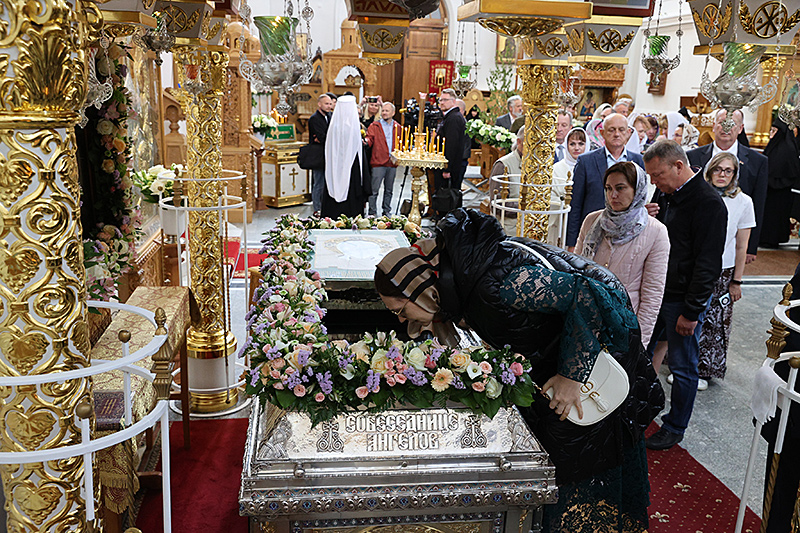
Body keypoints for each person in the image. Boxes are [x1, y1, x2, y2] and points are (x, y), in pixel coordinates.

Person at [374, 208, 664, 533]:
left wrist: (571, 376)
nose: (401, 320)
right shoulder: (464, 281)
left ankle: (588, 522)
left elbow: (585, 296)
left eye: (400, 309)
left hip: (599, 349)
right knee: (559, 440)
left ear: (421, 291)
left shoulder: (495, 284)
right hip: (564, 347)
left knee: (581, 448)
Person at [643, 140, 727, 451]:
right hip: (656, 291)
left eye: (658, 174)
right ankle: (642, 411)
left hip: (681, 298)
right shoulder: (666, 194)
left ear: (679, 166)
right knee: (643, 354)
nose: (654, 182)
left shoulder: (708, 203)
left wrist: (692, 312)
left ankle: (675, 426)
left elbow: (708, 263)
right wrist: (648, 215)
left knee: (682, 366)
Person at [576, 162, 670, 348]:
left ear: (638, 189)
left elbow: (652, 294)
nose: (613, 195)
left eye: (620, 188)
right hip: (584, 317)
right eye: (608, 188)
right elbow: (576, 269)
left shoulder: (656, 231)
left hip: (623, 324)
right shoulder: (593, 220)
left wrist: (638, 343)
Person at [693, 153, 755, 385]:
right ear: (710, 171)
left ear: (735, 174)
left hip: (724, 270)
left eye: (728, 170)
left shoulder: (743, 201)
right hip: (697, 265)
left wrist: (736, 280)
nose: (722, 175)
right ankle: (685, 365)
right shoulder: (700, 195)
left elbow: (742, 245)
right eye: (718, 169)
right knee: (692, 315)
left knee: (715, 321)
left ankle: (704, 370)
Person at [686, 109, 768, 263]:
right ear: (713, 125)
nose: (726, 128)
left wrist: (751, 247)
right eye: (722, 123)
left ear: (741, 128)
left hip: (734, 242)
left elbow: (758, 204)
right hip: (694, 238)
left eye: (732, 124)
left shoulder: (758, 161)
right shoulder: (693, 157)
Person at [566, 113, 645, 251]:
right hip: (593, 233)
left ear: (628, 133)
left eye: (621, 130)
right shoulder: (586, 161)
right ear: (602, 133)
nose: (616, 134)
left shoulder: (638, 161)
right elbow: (576, 204)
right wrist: (572, 243)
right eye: (611, 130)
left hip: (628, 235)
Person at [321, 94, 371, 218]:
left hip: (335, 166)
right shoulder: (352, 127)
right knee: (351, 200)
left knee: (334, 189)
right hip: (353, 168)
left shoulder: (333, 127)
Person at [760, 119, 800, 247]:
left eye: (774, 131)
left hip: (779, 192)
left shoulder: (786, 148)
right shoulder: (777, 145)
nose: (771, 133)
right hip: (774, 191)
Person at [549, 128, 589, 243]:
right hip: (561, 224)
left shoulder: (591, 166)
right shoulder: (556, 169)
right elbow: (552, 197)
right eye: (572, 144)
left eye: (581, 144)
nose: (577, 148)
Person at [364, 102, 401, 217]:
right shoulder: (374, 126)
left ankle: (386, 211)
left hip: (392, 162)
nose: (384, 113)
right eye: (383, 111)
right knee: (374, 190)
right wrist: (365, 141)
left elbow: (401, 142)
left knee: (389, 190)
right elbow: (369, 138)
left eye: (387, 111)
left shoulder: (398, 127)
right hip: (378, 162)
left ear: (393, 113)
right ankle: (372, 212)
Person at [434, 89, 467, 208]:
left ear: (453, 101)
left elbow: (451, 145)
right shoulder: (450, 116)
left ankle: (447, 222)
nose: (441, 102)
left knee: (447, 198)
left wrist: (447, 168)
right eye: (440, 100)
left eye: (445, 100)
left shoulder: (453, 118)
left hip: (449, 166)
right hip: (447, 164)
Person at [308, 93, 334, 216]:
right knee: (318, 182)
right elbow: (321, 137)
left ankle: (326, 206)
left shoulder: (330, 116)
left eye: (330, 103)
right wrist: (327, 137)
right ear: (319, 104)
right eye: (326, 104)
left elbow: (331, 134)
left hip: (329, 154)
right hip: (318, 155)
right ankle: (317, 208)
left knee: (327, 182)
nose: (329, 106)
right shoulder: (314, 118)